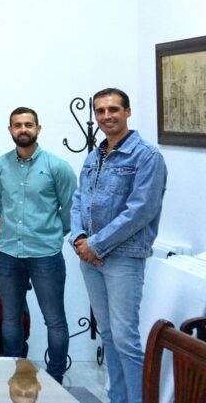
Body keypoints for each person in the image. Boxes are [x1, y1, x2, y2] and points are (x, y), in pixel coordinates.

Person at [71, 88, 167, 403]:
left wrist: (96, 245)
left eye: (113, 109)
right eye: (100, 111)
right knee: (109, 336)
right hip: (90, 260)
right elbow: (78, 201)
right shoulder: (93, 157)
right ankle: (118, 398)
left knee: (126, 340)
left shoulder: (147, 156)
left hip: (123, 258)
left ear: (127, 111)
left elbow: (140, 210)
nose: (106, 116)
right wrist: (79, 239)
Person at [0, 106, 76, 383]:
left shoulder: (57, 167)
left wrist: (51, 233)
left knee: (55, 320)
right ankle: (13, 374)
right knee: (10, 319)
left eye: (28, 124)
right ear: (10, 130)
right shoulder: (0, 166)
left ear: (38, 128)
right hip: (8, 254)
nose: (23, 129)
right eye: (17, 125)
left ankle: (55, 378)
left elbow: (70, 210)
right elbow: (1, 204)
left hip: (45, 254)